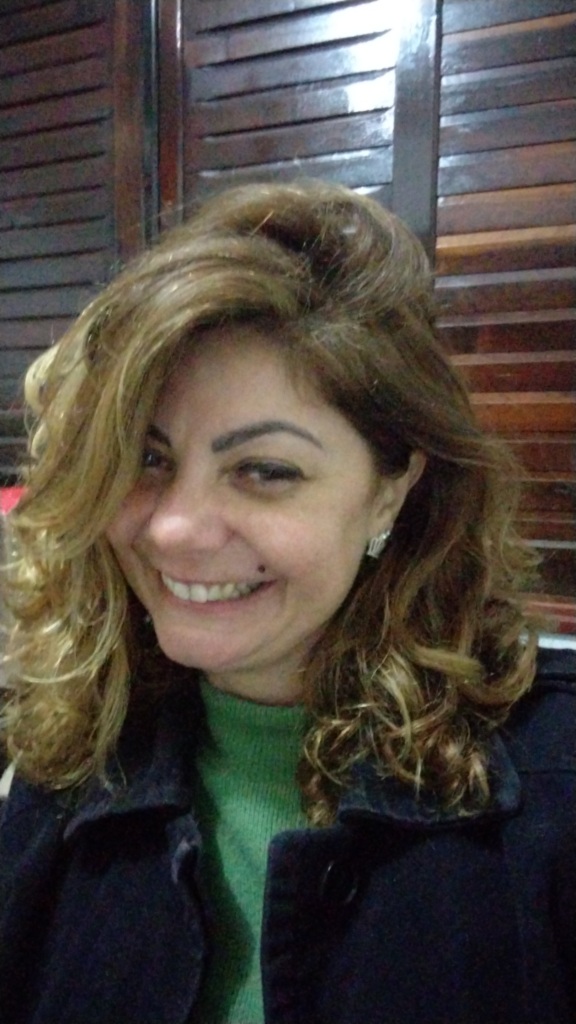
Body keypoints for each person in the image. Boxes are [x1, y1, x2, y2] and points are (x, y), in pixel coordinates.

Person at [0, 179, 574, 1024]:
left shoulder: (554, 790)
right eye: (149, 458)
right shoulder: (68, 761)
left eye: (265, 471)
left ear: (389, 492)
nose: (175, 529)